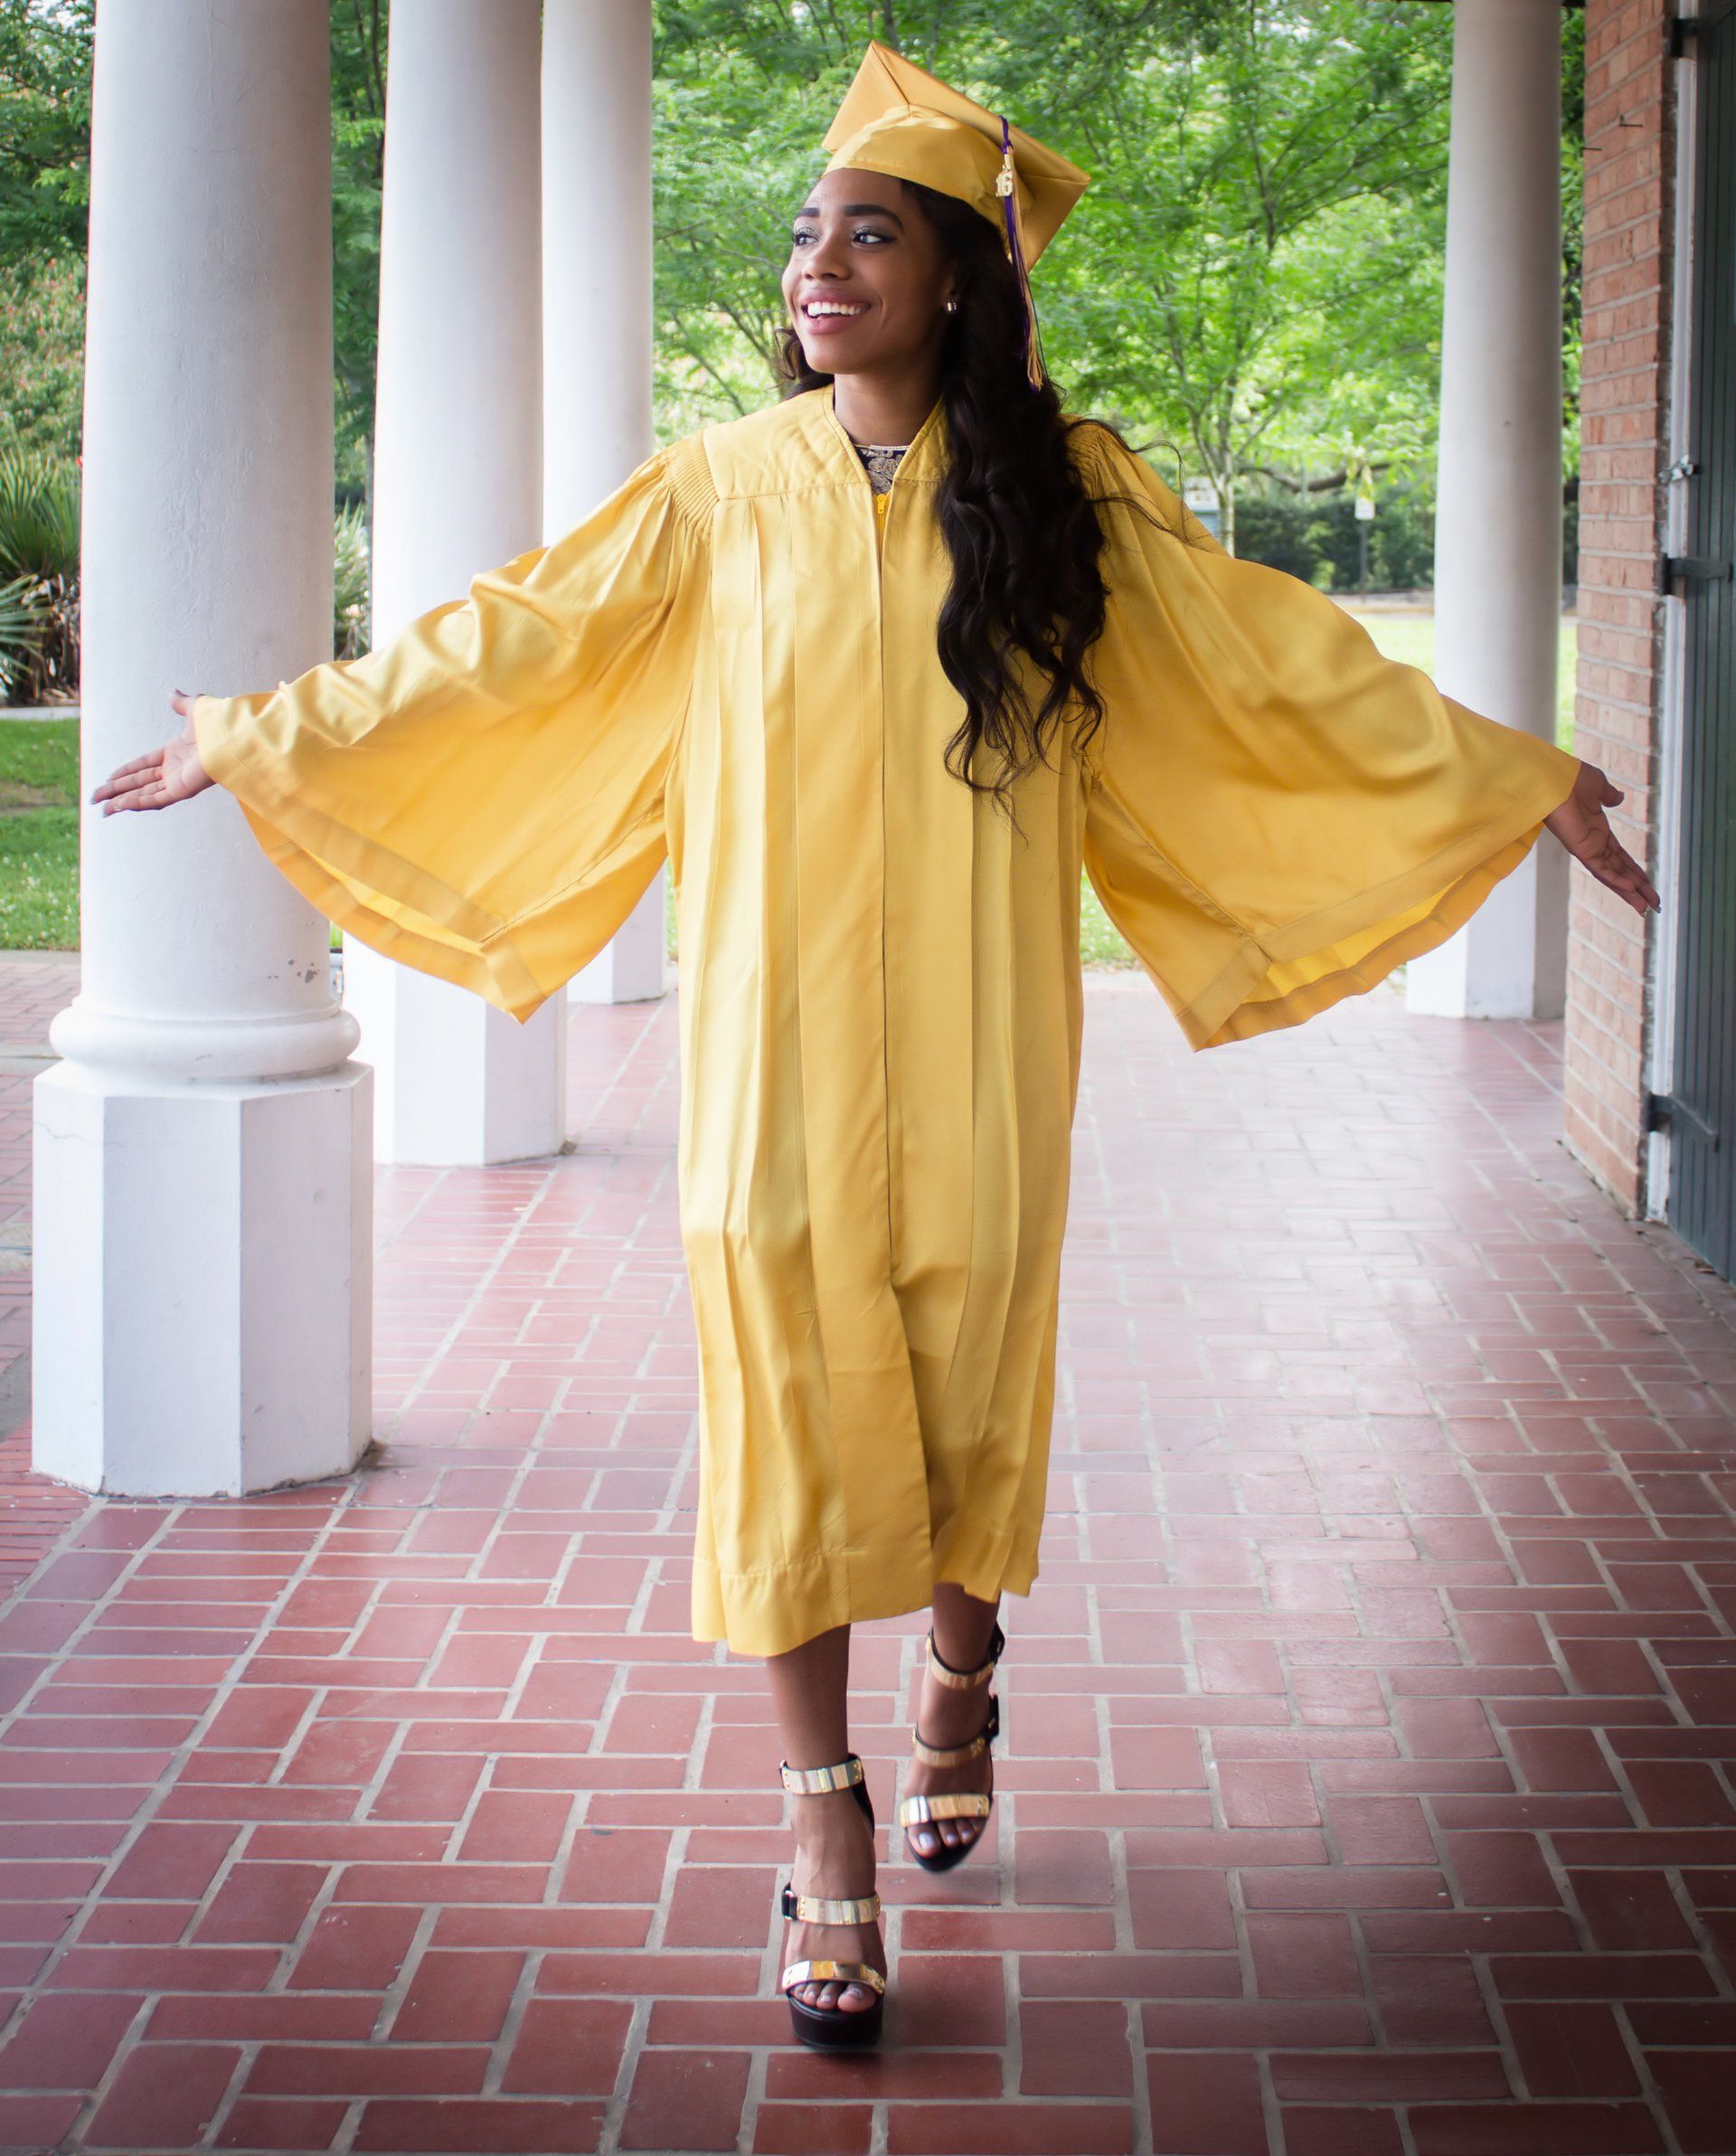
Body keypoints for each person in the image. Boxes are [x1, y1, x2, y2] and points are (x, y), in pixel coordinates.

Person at [93, 40, 1658, 2056]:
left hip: (987, 1033)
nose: (825, 264)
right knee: (784, 1383)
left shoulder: (1067, 497)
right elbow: (514, 636)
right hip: (774, 1043)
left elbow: (1276, 656)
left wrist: (1500, 771)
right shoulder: (720, 491)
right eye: (815, 231)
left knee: (965, 1378)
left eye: (875, 232)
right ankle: (821, 1815)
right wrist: (265, 727)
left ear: (956, 282)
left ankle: (963, 1670)